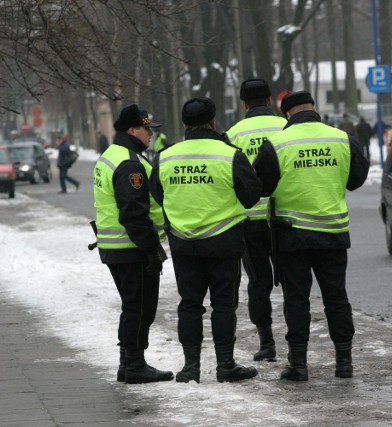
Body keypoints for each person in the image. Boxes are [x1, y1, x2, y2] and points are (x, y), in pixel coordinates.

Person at [253, 91, 369, 381]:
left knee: (296, 299)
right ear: (314, 108)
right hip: (333, 233)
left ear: (286, 114)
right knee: (336, 298)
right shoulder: (343, 139)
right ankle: (344, 363)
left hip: (292, 236)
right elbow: (356, 180)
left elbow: (261, 187)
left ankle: (299, 364)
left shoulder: (276, 144)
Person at [151, 97, 262, 384]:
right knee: (224, 304)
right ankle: (225, 365)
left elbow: (157, 194)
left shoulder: (165, 156)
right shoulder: (230, 154)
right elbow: (251, 196)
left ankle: (190, 367)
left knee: (189, 303)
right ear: (214, 122)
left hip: (183, 242)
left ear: (184, 124)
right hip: (224, 241)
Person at [93, 104, 173, 384]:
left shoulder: (111, 155)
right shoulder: (130, 163)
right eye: (147, 129)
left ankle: (127, 364)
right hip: (132, 249)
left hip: (116, 247)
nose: (151, 134)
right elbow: (134, 213)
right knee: (140, 308)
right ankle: (136, 365)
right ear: (132, 130)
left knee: (133, 306)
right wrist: (151, 248)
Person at [226, 78, 287, 362]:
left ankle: (267, 343)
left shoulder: (233, 134)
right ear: (271, 100)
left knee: (258, 283)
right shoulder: (286, 128)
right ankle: (296, 342)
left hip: (250, 221)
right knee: (292, 282)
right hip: (284, 216)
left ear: (244, 104)